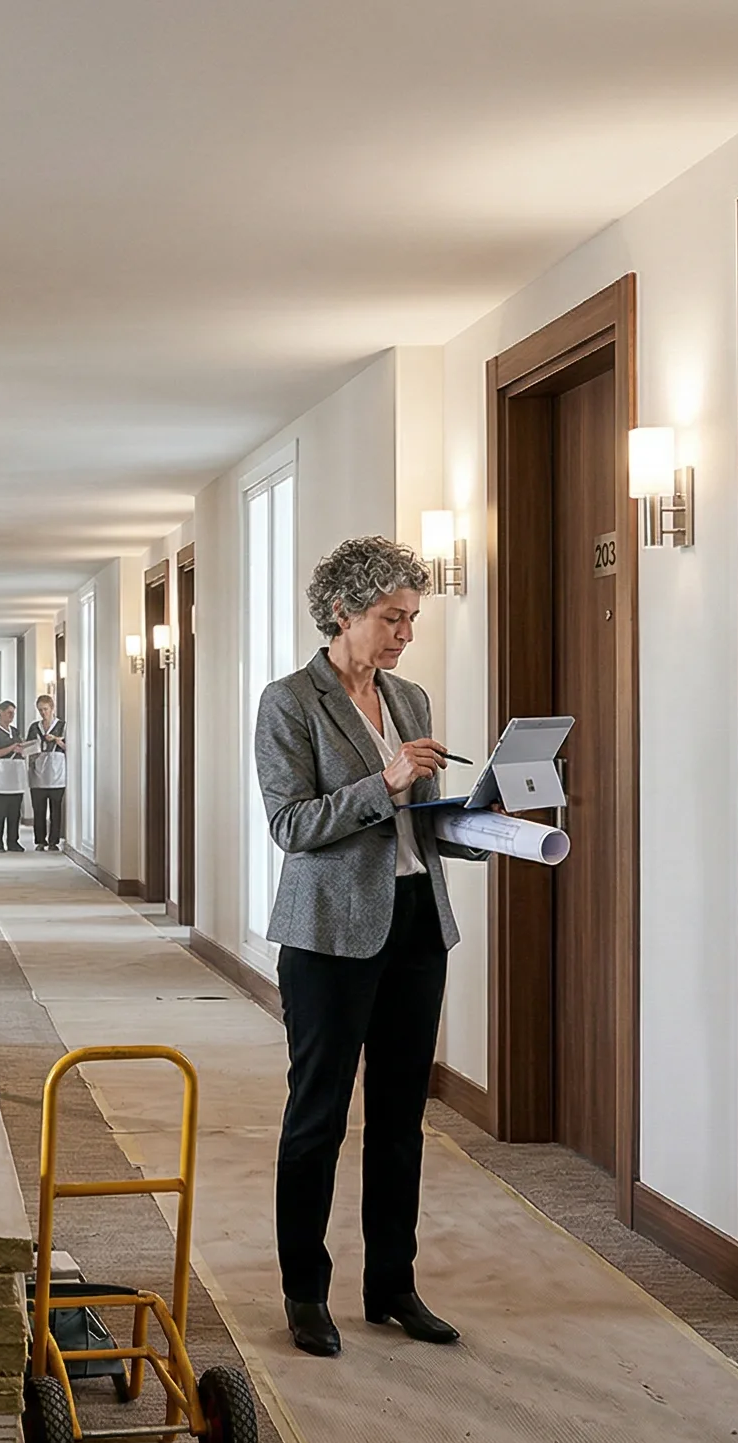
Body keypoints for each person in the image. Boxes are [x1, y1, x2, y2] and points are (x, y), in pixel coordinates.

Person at [253, 535, 480, 1359]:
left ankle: (392, 1285)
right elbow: (291, 827)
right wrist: (380, 784)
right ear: (343, 612)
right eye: (392, 617)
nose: (404, 635)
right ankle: (304, 1292)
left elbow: (419, 820)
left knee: (399, 1121)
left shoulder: (410, 698)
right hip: (327, 938)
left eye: (412, 619)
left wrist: (483, 824)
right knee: (317, 1117)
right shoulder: (290, 702)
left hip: (418, 923)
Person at [0, 700, 29, 851]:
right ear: (0, 712)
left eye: (13, 713)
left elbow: (19, 748)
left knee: (14, 811)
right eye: (9, 712)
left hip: (15, 774)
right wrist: (11, 748)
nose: (11, 715)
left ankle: (13, 841)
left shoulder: (15, 731)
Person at [23, 694, 68, 852]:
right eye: (40, 710)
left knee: (56, 809)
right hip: (38, 771)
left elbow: (69, 747)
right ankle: (40, 840)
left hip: (57, 771)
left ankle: (53, 841)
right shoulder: (34, 727)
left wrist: (56, 739)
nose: (43, 713)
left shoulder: (63, 726)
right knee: (39, 808)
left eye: (46, 709)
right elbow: (28, 748)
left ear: (52, 708)